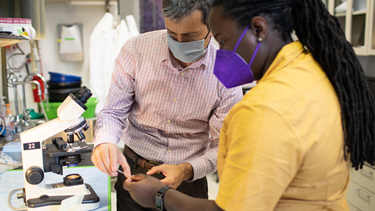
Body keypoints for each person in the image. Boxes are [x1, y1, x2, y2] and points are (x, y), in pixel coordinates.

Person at [122, 0, 375, 210]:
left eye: (223, 40)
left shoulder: (264, 109)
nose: (220, 54)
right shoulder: (312, 70)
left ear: (258, 30)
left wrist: (161, 196)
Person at [91, 0, 243, 210]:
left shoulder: (229, 69)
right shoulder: (136, 50)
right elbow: (113, 112)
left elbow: (225, 145)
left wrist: (186, 170)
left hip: (188, 181)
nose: (179, 42)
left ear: (212, 28)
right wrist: (105, 141)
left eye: (190, 36)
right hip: (135, 174)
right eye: (172, 34)